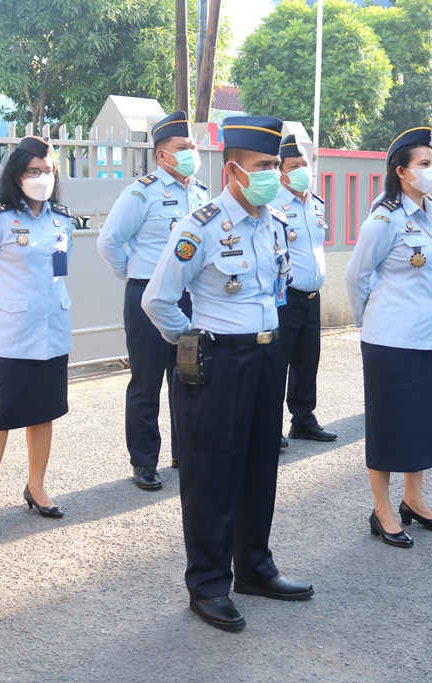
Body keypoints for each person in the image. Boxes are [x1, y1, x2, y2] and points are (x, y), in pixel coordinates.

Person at [142, 116, 312, 632]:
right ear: (235, 169)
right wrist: (194, 343)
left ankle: (255, 569)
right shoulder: (203, 224)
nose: (272, 176)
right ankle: (209, 584)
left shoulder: (275, 221)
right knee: (212, 474)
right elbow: (158, 300)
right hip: (220, 360)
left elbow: (275, 292)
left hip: (265, 356)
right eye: (263, 167)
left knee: (260, 466)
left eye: (274, 167)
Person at [344, 126, 432, 549]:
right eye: (424, 164)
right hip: (391, 340)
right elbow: (357, 276)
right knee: (390, 424)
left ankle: (414, 498)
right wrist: (370, 319)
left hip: (431, 336)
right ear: (401, 172)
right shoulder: (385, 218)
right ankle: (382, 508)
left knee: (422, 422)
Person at [0, 136, 73, 536]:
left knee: (45, 411)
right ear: (17, 175)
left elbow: (59, 269)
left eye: (48, 170)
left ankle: (36, 485)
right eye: (33, 171)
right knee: (1, 416)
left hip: (52, 331)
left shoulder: (62, 219)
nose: (42, 177)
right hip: (8, 336)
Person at [96, 111, 210, 490]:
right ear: (162, 156)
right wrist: (134, 275)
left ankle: (186, 452)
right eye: (183, 148)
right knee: (146, 383)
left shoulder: (201, 193)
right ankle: (144, 461)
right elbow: (109, 242)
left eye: (192, 146)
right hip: (146, 298)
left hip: (190, 300)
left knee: (190, 378)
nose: (191, 152)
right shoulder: (141, 192)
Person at [271, 134, 337, 448]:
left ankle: (303, 419)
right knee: (277, 362)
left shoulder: (316, 203)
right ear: (281, 172)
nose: (302, 170)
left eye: (305, 164)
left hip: (312, 297)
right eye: (294, 165)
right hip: (285, 297)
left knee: (307, 360)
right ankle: (270, 425)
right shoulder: (272, 203)